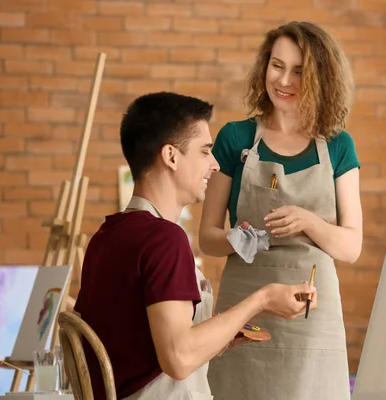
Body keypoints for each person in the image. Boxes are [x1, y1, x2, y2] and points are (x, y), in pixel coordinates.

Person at [73, 92, 318, 400]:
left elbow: (141, 346)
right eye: (205, 152)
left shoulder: (105, 237)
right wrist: (263, 298)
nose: (214, 165)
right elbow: (177, 358)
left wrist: (220, 335)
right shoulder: (163, 239)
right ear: (171, 156)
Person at [200, 21, 362, 400]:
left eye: (299, 71)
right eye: (277, 65)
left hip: (311, 316)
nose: (284, 80)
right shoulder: (235, 139)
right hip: (245, 312)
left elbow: (351, 246)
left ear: (320, 78)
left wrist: (308, 221)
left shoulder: (338, 147)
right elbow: (206, 237)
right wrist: (237, 239)